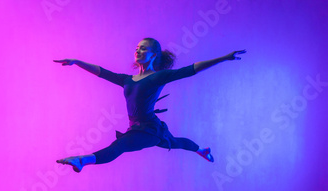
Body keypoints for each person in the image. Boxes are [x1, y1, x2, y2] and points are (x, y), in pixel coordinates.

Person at [54, 37, 246, 173]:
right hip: (137, 128)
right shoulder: (127, 79)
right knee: (175, 142)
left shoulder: (159, 76)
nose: (138, 50)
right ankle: (201, 150)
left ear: (155, 55)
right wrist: (77, 62)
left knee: (120, 146)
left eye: (144, 48)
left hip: (149, 129)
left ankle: (82, 160)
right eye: (137, 47)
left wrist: (223, 58)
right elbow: (103, 72)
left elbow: (191, 70)